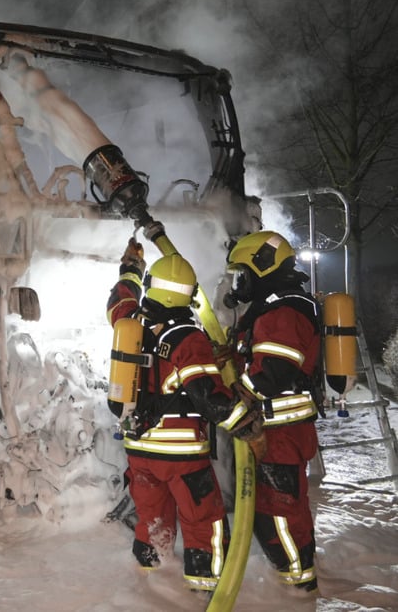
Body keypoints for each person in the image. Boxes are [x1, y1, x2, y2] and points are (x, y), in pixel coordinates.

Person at [106, 238, 264, 593]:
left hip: (138, 447)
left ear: (152, 287)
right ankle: (204, 589)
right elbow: (207, 395)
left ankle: (150, 579)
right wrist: (247, 424)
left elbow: (119, 299)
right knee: (203, 520)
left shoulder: (128, 324)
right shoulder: (187, 336)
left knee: (152, 517)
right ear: (189, 295)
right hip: (181, 455)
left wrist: (131, 267)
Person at [222, 230, 321, 592]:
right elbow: (260, 357)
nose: (240, 283)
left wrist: (238, 393)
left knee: (280, 512)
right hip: (274, 431)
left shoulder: (283, 309)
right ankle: (291, 578)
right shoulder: (273, 306)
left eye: (243, 274)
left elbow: (275, 371)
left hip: (283, 432)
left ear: (261, 267)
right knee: (272, 510)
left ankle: (298, 588)